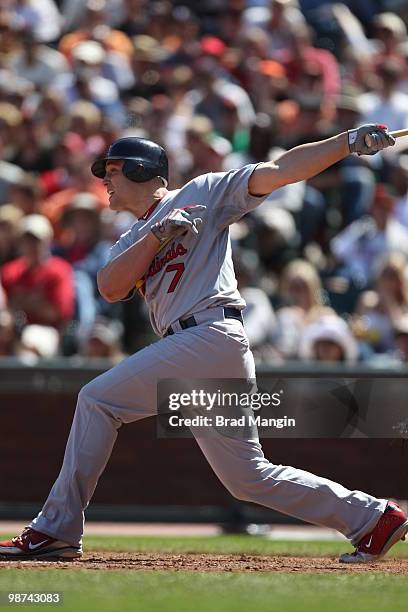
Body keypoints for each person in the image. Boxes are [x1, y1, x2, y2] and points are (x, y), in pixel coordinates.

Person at [1, 125, 407, 564]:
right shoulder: (130, 237)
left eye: (114, 170)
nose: (106, 181)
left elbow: (281, 170)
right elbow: (110, 286)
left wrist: (345, 142)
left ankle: (55, 529)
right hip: (195, 347)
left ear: (142, 170)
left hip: (210, 334)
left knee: (97, 400)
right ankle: (373, 518)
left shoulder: (203, 192)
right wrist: (158, 236)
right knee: (248, 478)